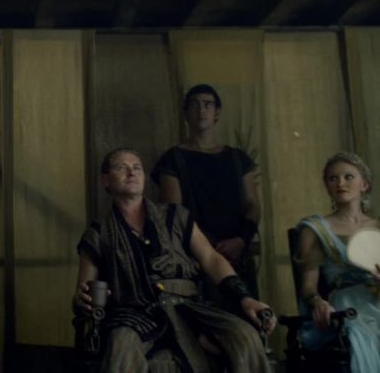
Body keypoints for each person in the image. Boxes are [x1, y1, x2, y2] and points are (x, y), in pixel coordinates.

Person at [74, 148, 275, 372]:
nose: (132, 173)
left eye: (137, 168)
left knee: (244, 336)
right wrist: (82, 300)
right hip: (133, 315)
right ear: (105, 180)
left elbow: (211, 258)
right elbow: (84, 290)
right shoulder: (98, 233)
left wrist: (245, 298)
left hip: (188, 308)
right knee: (122, 344)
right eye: (122, 168)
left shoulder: (176, 216)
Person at [151, 84, 262, 299]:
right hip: (194, 257)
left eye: (207, 105)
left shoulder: (238, 159)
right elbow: (175, 213)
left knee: (245, 311)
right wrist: (205, 249)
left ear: (217, 113)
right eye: (194, 105)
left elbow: (253, 206)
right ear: (186, 114)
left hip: (237, 253)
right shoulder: (173, 159)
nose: (201, 110)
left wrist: (241, 240)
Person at [295, 152, 380, 373]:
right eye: (333, 178)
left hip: (377, 298)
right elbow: (308, 287)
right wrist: (319, 303)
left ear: (364, 184)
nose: (340, 183)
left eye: (348, 177)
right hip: (347, 305)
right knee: (363, 337)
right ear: (327, 186)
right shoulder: (315, 229)